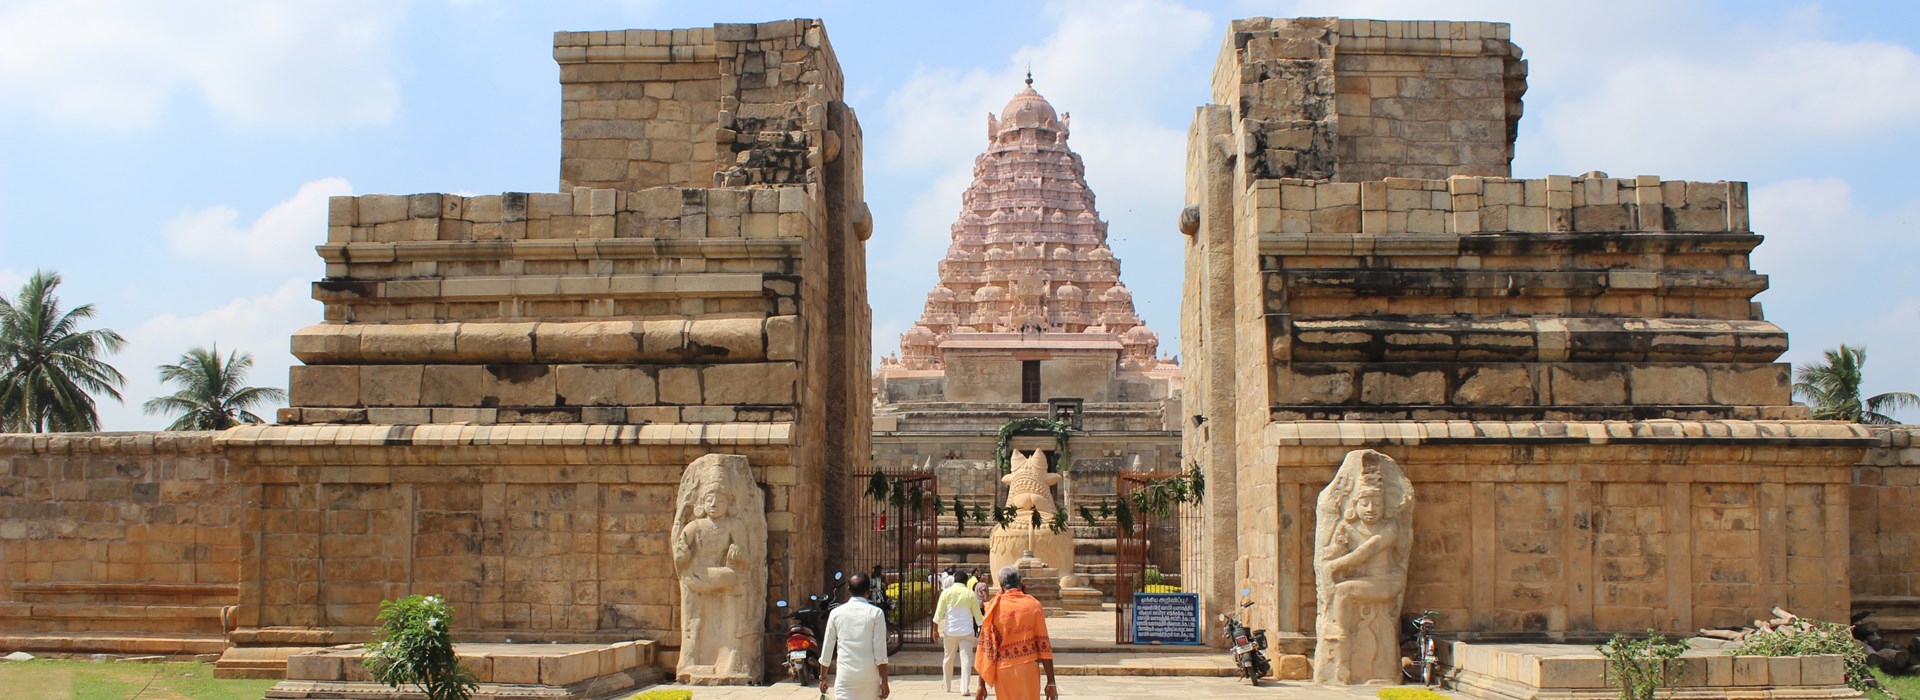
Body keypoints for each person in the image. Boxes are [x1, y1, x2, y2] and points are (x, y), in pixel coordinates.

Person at [974, 568, 1057, 700]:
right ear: (1020, 583)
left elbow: (987, 649)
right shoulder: (1034, 605)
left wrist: (981, 685)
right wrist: (1051, 682)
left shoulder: (993, 607)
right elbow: (1043, 644)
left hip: (1004, 670)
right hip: (1028, 670)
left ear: (1001, 586)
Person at [821, 572, 891, 700]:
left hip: (845, 676)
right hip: (869, 677)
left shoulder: (836, 613)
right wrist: (885, 680)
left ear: (848, 590)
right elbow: (880, 652)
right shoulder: (876, 613)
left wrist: (823, 677)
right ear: (868, 592)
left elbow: (827, 647)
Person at [934, 566, 985, 693]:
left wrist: (935, 630)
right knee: (966, 660)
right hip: (967, 630)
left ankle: (947, 686)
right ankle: (965, 688)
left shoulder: (946, 593)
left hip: (950, 630)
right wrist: (982, 628)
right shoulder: (970, 593)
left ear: (954, 580)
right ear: (965, 582)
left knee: (948, 658)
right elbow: (977, 615)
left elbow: (939, 613)